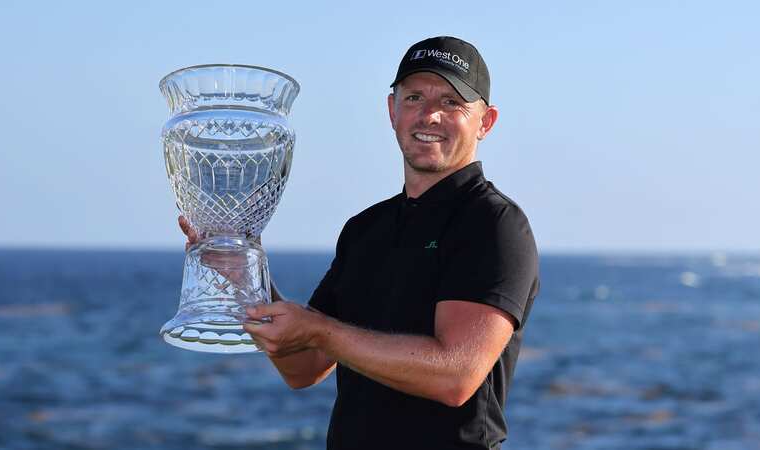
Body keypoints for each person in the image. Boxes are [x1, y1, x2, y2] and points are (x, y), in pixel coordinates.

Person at [180, 36, 539, 450]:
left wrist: (321, 331)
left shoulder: (493, 224)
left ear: (486, 122)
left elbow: (455, 376)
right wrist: (246, 278)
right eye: (415, 97)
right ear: (392, 110)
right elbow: (303, 367)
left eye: (452, 102)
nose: (430, 115)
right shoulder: (366, 229)